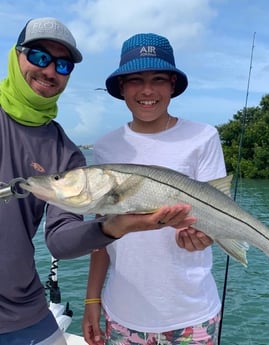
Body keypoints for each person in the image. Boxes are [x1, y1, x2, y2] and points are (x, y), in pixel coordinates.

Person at [0, 19, 195, 345]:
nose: (50, 71)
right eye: (39, 56)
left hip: (25, 310)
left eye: (62, 65)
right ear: (15, 55)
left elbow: (59, 241)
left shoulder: (66, 153)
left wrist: (113, 228)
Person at [82, 33, 227, 345]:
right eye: (135, 79)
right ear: (122, 87)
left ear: (172, 84)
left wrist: (206, 238)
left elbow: (219, 216)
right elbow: (102, 234)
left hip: (193, 315)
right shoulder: (106, 148)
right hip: (121, 314)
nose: (147, 90)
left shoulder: (203, 137)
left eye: (158, 78)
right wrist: (91, 301)